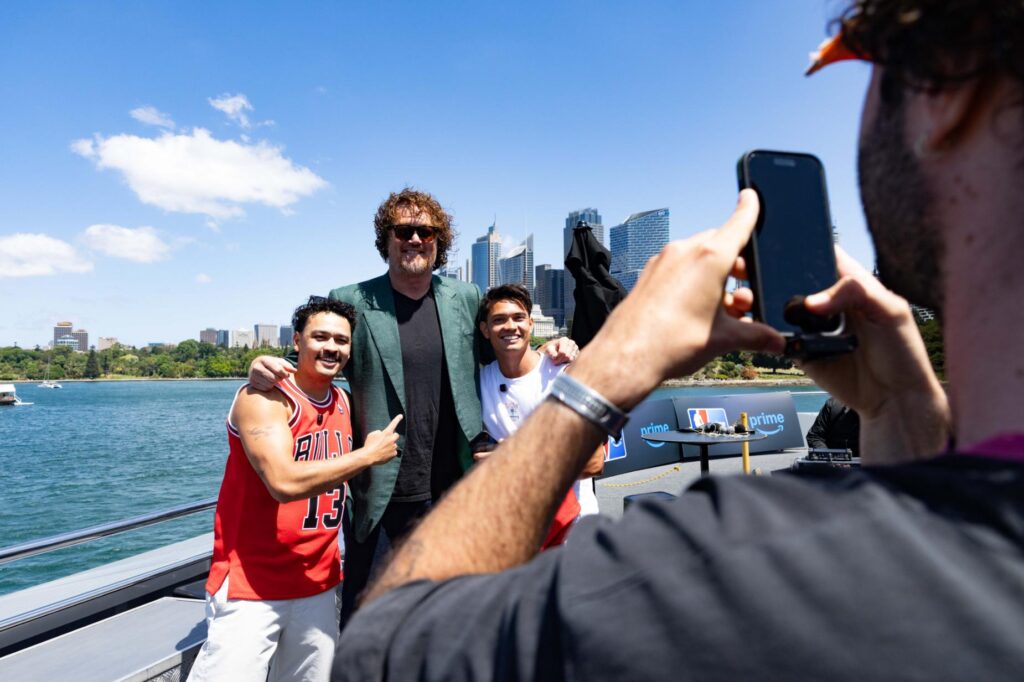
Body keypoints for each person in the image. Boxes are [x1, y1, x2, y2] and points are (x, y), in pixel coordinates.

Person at [333, 2, 1024, 679]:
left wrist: (600, 374)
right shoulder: (946, 554)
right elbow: (916, 559)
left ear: (945, 89)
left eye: (864, 45)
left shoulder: (720, 561)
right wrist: (902, 418)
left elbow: (388, 650)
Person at [249, 188, 578, 628]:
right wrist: (264, 368)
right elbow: (315, 357)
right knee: (369, 614)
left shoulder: (463, 296)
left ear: (440, 242)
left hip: (455, 482)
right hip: (383, 486)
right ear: (386, 239)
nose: (416, 239)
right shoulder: (354, 299)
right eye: (404, 230)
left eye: (427, 231)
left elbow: (501, 346)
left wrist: (552, 345)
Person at [188, 297, 401, 682]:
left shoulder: (344, 402)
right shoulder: (264, 399)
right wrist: (367, 456)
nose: (331, 347)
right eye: (320, 337)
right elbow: (283, 483)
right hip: (250, 584)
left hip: (317, 582)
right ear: (298, 341)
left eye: (341, 340)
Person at [475, 284, 605, 547]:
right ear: (485, 330)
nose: (510, 326)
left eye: (518, 318)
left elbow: (595, 463)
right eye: (499, 320)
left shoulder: (571, 375)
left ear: (531, 324)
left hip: (573, 531)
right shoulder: (479, 380)